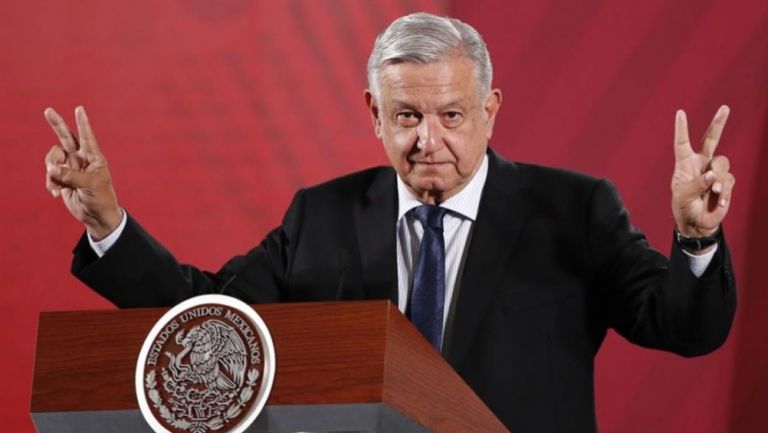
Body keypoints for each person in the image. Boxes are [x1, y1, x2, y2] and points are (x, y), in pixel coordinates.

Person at [43, 12, 736, 433]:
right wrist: (109, 222)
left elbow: (682, 325)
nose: (428, 140)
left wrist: (696, 236)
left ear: (490, 110)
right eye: (407, 116)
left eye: (452, 115)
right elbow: (213, 324)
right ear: (374, 114)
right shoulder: (320, 216)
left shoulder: (574, 210)